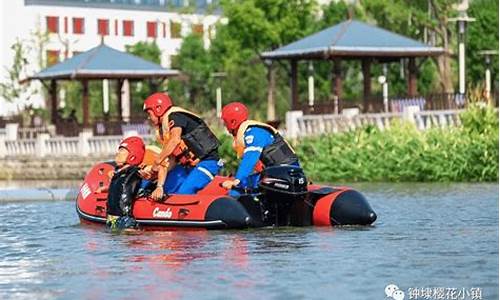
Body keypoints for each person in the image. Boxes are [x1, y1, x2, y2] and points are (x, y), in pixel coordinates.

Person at [143, 92, 222, 200]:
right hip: (188, 166)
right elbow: (170, 159)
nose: (148, 118)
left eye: (149, 114)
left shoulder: (175, 116)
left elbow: (175, 140)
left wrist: (157, 161)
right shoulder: (166, 127)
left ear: (158, 109)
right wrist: (159, 184)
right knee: (167, 189)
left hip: (208, 162)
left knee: (184, 192)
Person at [220, 102, 300, 196]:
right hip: (283, 172)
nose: (225, 125)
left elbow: (250, 158)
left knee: (236, 191)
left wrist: (237, 181)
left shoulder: (254, 133)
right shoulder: (251, 132)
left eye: (225, 122)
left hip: (284, 174)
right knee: (248, 183)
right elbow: (258, 165)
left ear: (233, 122)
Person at [106, 136, 145, 230]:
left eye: (122, 151)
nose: (117, 153)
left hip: (125, 219)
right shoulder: (117, 173)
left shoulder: (135, 172)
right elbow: (117, 189)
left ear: (133, 155)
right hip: (112, 219)